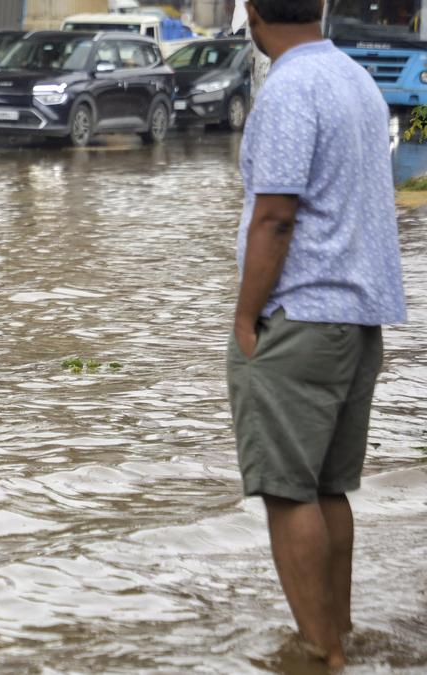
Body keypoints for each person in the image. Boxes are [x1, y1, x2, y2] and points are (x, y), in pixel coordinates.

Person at [226, 0, 407, 669]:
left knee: (287, 490)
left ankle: (320, 651)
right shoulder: (355, 79)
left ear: (250, 10)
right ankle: (342, 635)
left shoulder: (289, 87)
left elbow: (275, 215)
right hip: (357, 323)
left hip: (299, 318)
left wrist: (246, 319)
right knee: (330, 487)